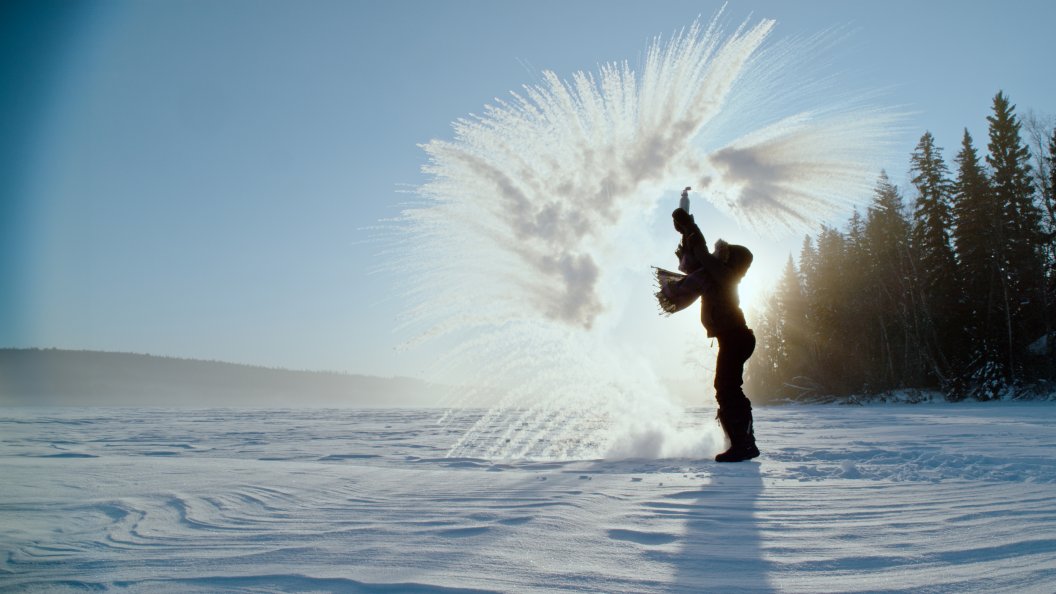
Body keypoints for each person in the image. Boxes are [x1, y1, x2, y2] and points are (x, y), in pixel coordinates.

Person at [656, 197, 759, 463]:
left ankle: (743, 444)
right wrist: (686, 230)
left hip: (736, 338)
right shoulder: (719, 277)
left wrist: (690, 225)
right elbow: (700, 257)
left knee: (726, 387)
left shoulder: (726, 277)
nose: (717, 259)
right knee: (726, 387)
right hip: (733, 338)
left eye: (723, 257)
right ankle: (742, 442)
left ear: (730, 263)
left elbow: (702, 253)